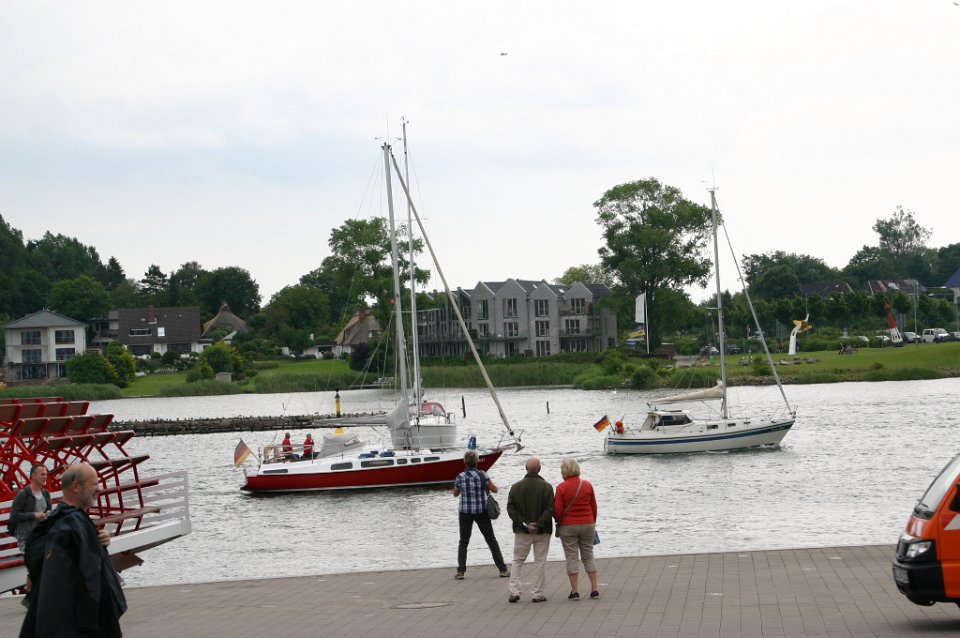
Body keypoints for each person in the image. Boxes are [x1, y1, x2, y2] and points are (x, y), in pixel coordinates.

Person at [20, 462, 126, 638]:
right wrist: (93, 623)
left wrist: (99, 545)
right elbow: (88, 577)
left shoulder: (55, 521)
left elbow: (37, 559)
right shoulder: (73, 526)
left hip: (51, 620)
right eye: (94, 484)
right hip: (73, 624)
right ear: (76, 486)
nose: (98, 489)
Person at [452, 450, 509, 580]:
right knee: (491, 540)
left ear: (465, 462)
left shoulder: (460, 476)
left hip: (465, 512)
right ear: (477, 461)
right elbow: (495, 489)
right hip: (481, 511)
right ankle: (502, 569)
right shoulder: (482, 475)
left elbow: (455, 494)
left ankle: (461, 571)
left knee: (463, 541)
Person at [506, 456, 554, 603]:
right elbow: (551, 508)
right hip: (542, 531)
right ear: (539, 469)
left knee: (518, 560)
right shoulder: (547, 487)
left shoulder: (516, 487)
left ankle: (514, 591)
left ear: (526, 468)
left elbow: (511, 509)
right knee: (540, 561)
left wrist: (525, 523)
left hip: (522, 531)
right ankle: (537, 593)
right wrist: (538, 524)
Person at [554, 457, 600, 600]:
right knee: (588, 555)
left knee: (571, 557)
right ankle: (594, 589)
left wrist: (559, 521)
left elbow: (558, 511)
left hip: (568, 526)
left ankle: (575, 592)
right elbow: (594, 507)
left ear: (564, 471)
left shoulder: (561, 487)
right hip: (588, 523)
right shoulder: (587, 485)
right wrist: (592, 522)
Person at [9, 464, 52, 608]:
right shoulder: (23, 494)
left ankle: (29, 597)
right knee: (35, 564)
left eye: (46, 474)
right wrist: (34, 515)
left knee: (39, 564)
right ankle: (31, 598)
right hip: (25, 535)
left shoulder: (45, 494)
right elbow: (14, 516)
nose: (45, 477)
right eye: (42, 474)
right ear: (33, 476)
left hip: (39, 534)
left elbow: (48, 510)